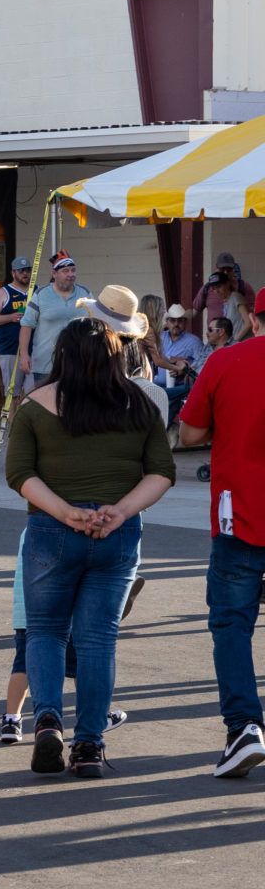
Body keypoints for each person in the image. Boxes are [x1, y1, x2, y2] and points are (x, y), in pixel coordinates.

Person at [8, 304, 174, 778]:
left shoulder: (36, 404)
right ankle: (89, 746)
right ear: (112, 354)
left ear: (62, 354)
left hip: (50, 532)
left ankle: (46, 721)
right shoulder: (139, 403)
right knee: (99, 640)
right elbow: (163, 471)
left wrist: (66, 512)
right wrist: (118, 511)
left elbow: (19, 473)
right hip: (116, 536)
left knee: (44, 632)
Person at [178, 300, 265, 775]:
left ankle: (244, 728)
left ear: (254, 320)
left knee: (232, 624)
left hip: (241, 513)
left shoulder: (227, 359)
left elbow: (189, 433)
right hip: (241, 513)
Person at [18, 251, 91, 390]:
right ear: (54, 274)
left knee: (75, 406)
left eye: (73, 270)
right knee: (45, 407)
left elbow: (94, 324)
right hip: (45, 365)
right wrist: (24, 355)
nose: (71, 274)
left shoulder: (85, 293)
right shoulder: (40, 294)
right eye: (65, 271)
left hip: (79, 364)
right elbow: (27, 325)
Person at [0, 256, 33, 406]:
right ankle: (12, 429)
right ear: (13, 273)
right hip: (10, 350)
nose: (25, 274)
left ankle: (30, 428)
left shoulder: (37, 291)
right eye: (21, 271)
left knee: (32, 394)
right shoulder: (4, 292)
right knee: (12, 395)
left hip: (35, 350)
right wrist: (10, 317)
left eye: (28, 270)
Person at [151, 305, 207, 423]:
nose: (176, 324)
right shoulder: (159, 337)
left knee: (165, 412)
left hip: (176, 388)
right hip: (155, 385)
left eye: (180, 320)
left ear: (185, 322)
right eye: (172, 320)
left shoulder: (194, 342)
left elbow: (202, 368)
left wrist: (185, 369)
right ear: (167, 322)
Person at [194, 252, 254, 329]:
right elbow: (195, 310)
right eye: (222, 269)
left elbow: (253, 312)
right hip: (215, 336)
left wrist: (240, 307)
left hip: (236, 335)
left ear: (233, 270)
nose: (225, 272)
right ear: (216, 268)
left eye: (229, 270)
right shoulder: (207, 287)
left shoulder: (243, 287)